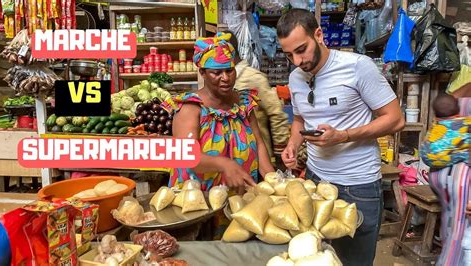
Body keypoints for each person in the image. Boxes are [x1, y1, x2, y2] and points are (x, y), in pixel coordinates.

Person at [276, 9, 405, 265]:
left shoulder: (358, 67)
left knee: (353, 260)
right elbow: (301, 118)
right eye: (289, 54)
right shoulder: (295, 77)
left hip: (357, 186)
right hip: (314, 180)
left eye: (301, 50)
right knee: (314, 257)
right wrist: (292, 144)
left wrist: (344, 136)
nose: (297, 61)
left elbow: (395, 118)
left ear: (319, 34)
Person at [162, 32, 274, 192]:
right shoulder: (191, 108)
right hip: (198, 201)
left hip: (239, 199)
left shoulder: (243, 104)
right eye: (216, 73)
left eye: (229, 70)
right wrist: (224, 164)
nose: (226, 78)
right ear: (202, 73)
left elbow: (259, 145)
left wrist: (274, 182)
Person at [222, 30, 290, 163]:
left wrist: (279, 153)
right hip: (231, 156)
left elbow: (276, 113)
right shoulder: (220, 80)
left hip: (257, 157)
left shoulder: (253, 78)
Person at [422, 87, 470, 266]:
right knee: (453, 230)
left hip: (437, 164)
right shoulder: (465, 122)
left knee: (457, 233)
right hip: (450, 189)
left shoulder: (437, 126)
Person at [420, 93, 469, 168]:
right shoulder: (464, 123)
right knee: (465, 146)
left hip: (426, 157)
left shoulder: (435, 124)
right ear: (458, 110)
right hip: (441, 158)